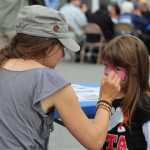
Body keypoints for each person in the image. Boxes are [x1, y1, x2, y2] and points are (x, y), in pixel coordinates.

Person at [0, 5, 121, 150]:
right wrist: (106, 99)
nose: (63, 55)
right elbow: (94, 142)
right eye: (62, 47)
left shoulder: (3, 63)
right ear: (49, 47)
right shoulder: (49, 81)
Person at [100, 34, 150, 149]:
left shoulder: (144, 105)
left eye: (117, 69)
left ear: (135, 71)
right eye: (106, 66)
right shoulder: (107, 97)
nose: (107, 72)